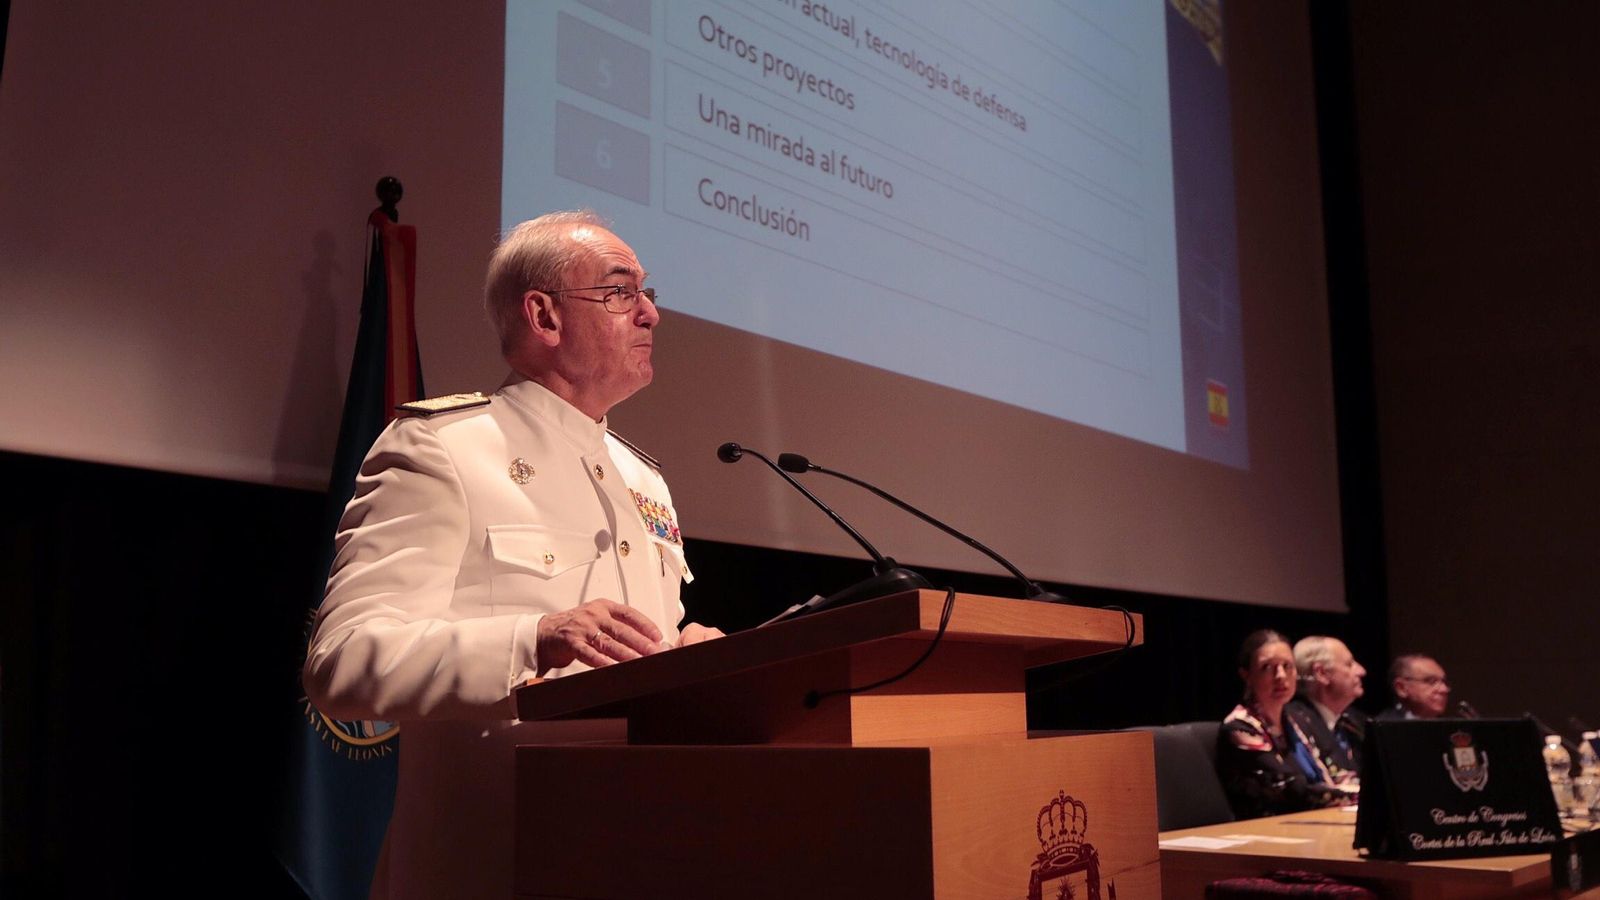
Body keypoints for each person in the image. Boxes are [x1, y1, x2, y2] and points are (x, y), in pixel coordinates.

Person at [303, 210, 724, 899]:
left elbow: (633, 656)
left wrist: (691, 656)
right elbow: (343, 660)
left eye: (650, 294)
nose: (650, 314)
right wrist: (534, 639)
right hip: (487, 860)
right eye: (621, 292)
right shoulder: (443, 451)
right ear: (544, 316)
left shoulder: (643, 480)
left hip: (638, 846)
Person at [1216, 630, 1346, 820]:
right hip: (1268, 829)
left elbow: (1336, 768)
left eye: (1287, 666)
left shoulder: (1301, 720)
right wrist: (1348, 796)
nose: (1280, 675)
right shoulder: (1239, 728)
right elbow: (1291, 788)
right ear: (1247, 675)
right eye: (1267, 667)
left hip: (1317, 819)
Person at [1283, 636, 1367, 786]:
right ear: (1321, 673)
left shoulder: (1357, 722)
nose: (1361, 671)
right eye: (1349, 664)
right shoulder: (1293, 723)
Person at [1377, 653, 1451, 719]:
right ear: (1401, 688)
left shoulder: (1452, 730)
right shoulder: (1381, 728)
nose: (1444, 689)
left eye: (1444, 682)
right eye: (1431, 681)